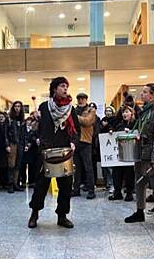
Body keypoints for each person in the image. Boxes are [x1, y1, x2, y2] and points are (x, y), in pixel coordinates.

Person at [28, 76, 78, 229]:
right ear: (55, 89)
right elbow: (35, 128)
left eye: (66, 87)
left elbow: (76, 129)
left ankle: (62, 216)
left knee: (66, 185)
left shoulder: (70, 109)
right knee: (41, 184)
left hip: (64, 151)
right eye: (62, 86)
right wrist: (37, 135)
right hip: (46, 150)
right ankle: (34, 214)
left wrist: (73, 142)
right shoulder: (44, 107)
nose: (65, 89)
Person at [124, 81, 154, 229]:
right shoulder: (144, 111)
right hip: (141, 152)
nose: (142, 94)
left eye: (145, 92)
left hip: (152, 153)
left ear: (152, 95)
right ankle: (140, 211)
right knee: (139, 183)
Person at [73, 93, 97, 199]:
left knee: (88, 167)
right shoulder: (74, 109)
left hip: (85, 140)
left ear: (86, 99)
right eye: (78, 98)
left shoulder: (91, 110)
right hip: (75, 141)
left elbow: (88, 121)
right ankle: (76, 189)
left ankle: (91, 190)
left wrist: (74, 117)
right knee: (76, 168)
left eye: (82, 98)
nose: (80, 100)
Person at [5, 101, 27, 194]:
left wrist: (25, 144)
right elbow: (5, 132)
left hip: (20, 144)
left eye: (19, 106)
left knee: (18, 164)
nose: (17, 108)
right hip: (12, 143)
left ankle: (15, 183)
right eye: (16, 106)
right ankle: (10, 184)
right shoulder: (9, 119)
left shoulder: (22, 120)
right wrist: (7, 145)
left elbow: (24, 133)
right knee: (11, 165)